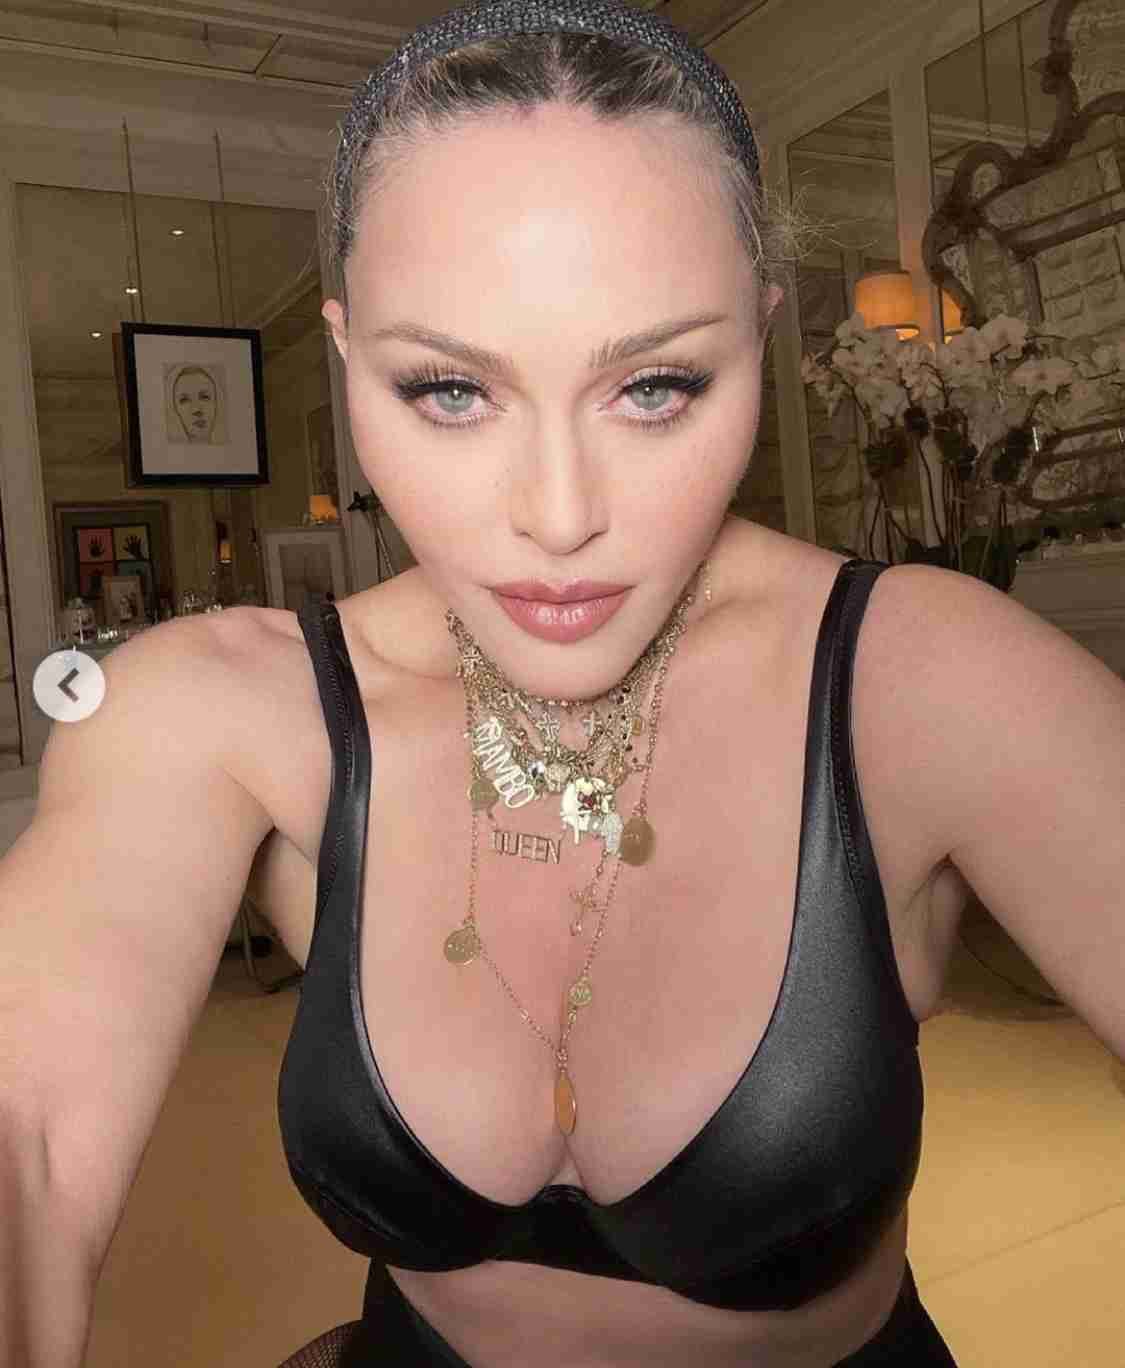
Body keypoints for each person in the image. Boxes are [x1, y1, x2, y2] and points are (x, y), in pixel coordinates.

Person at [2, 3, 1123, 1365]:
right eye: (449, 391)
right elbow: (28, 1140)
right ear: (349, 362)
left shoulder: (928, 678)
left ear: (760, 338)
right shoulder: (220, 711)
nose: (557, 513)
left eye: (654, 386)